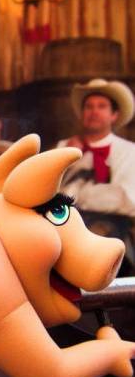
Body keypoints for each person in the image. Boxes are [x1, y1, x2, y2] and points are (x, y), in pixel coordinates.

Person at [57, 78, 135, 270]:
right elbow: (52, 195)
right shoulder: (64, 146)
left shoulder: (129, 151)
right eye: (89, 106)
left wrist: (74, 193)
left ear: (114, 115)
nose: (94, 112)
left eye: (101, 106)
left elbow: (125, 199)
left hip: (113, 233)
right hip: (64, 228)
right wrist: (70, 160)